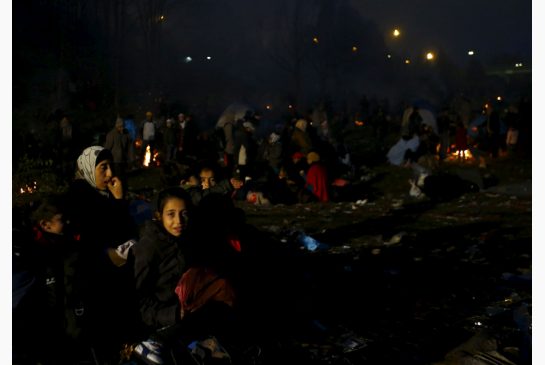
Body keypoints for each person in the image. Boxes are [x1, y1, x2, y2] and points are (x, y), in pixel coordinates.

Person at [132, 187, 236, 364]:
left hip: (185, 309)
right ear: (159, 216)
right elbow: (137, 300)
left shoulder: (186, 240)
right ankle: (155, 342)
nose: (178, 221)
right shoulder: (150, 247)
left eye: (184, 214)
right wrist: (172, 314)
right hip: (161, 318)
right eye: (171, 214)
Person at [65, 146, 140, 361]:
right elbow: (103, 233)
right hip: (93, 286)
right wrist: (118, 201)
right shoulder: (80, 198)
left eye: (110, 167)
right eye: (103, 168)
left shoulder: (102, 195)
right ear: (89, 169)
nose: (109, 174)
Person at [104, 117, 130, 185]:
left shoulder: (125, 134)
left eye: (123, 126)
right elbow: (107, 148)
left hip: (123, 159)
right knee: (117, 177)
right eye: (120, 127)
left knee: (123, 176)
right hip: (115, 160)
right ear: (116, 126)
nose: (122, 128)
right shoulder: (111, 134)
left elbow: (128, 146)